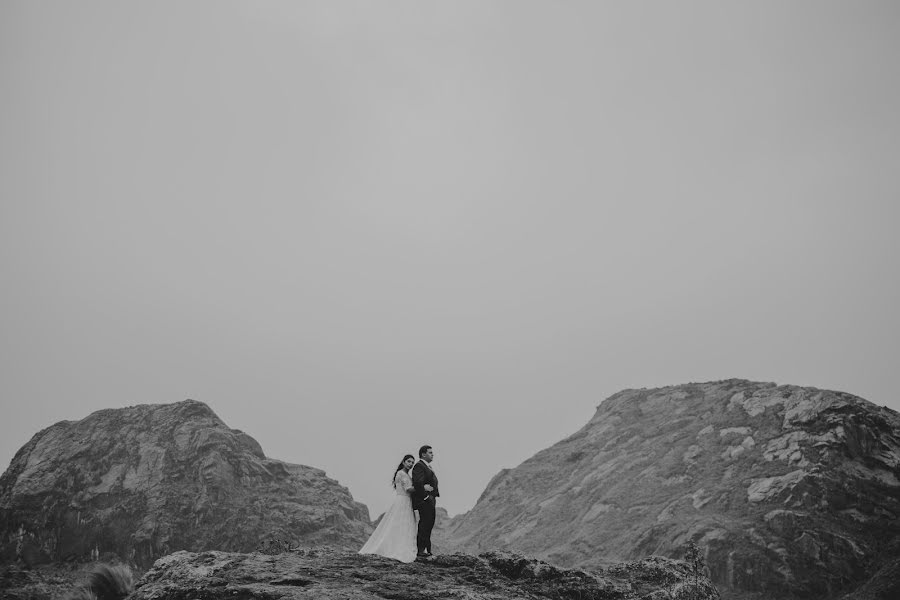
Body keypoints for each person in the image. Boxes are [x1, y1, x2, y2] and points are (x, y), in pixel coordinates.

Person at [358, 454, 417, 563]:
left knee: (404, 525)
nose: (411, 464)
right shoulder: (401, 473)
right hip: (403, 500)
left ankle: (399, 546)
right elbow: (408, 489)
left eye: (412, 462)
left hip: (407, 501)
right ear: (403, 462)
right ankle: (392, 548)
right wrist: (422, 487)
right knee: (398, 524)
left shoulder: (407, 475)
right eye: (409, 461)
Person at [411, 445, 439, 559]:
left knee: (429, 524)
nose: (433, 454)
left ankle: (427, 549)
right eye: (430, 452)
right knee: (424, 524)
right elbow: (418, 483)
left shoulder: (428, 466)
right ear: (423, 454)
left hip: (430, 500)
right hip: (425, 501)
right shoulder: (419, 466)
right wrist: (426, 497)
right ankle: (421, 550)